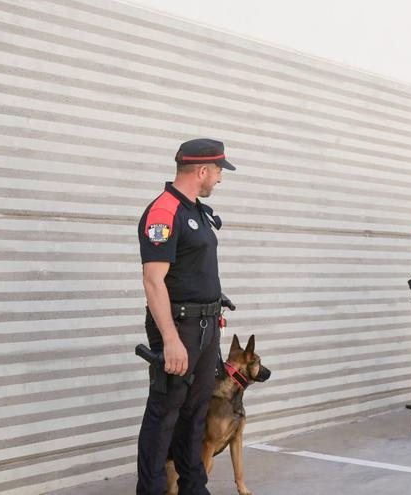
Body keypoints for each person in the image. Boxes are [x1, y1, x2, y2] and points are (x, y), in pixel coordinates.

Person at [136, 138, 235, 494]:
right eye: (219, 171)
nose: (220, 179)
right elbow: (153, 280)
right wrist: (171, 339)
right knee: (164, 415)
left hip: (207, 327)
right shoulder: (164, 211)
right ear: (202, 170)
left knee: (195, 414)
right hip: (180, 327)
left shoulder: (196, 210)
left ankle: (194, 487)